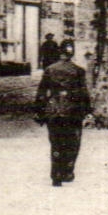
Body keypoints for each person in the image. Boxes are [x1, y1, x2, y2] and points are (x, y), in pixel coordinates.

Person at [33, 40, 91, 186]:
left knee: (56, 143)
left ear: (60, 51)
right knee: (72, 142)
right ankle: (67, 170)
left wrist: (39, 111)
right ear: (72, 53)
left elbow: (41, 92)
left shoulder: (50, 69)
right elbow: (83, 94)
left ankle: (56, 175)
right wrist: (87, 111)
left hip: (53, 110)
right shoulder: (78, 71)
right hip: (72, 111)